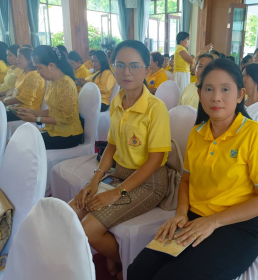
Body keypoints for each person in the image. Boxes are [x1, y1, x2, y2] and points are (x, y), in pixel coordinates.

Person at [128, 58, 258, 280]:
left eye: (225, 89)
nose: (216, 97)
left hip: (238, 228)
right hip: (193, 218)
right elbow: (186, 181)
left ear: (240, 95)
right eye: (208, 89)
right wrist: (180, 214)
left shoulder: (255, 134)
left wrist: (213, 221)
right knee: (137, 272)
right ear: (200, 94)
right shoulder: (197, 132)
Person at [69, 40, 171, 279]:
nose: (126, 72)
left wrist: (116, 192)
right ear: (113, 66)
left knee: (88, 230)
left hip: (149, 182)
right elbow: (111, 146)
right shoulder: (118, 100)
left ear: (147, 70)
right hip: (121, 174)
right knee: (74, 210)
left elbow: (155, 161)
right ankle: (114, 255)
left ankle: (126, 263)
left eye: (134, 66)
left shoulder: (156, 108)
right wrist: (95, 180)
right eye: (120, 65)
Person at [15, 46, 83, 150]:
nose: (37, 71)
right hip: (54, 130)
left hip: (68, 136)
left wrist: (36, 119)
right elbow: (53, 111)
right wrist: (32, 112)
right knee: (18, 139)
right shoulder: (53, 82)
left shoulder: (66, 84)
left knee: (20, 143)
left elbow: (66, 119)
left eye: (39, 68)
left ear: (51, 66)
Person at [1, 47, 45, 122]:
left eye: (20, 57)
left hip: (27, 111)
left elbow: (24, 99)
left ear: (29, 60)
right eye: (17, 57)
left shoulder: (33, 75)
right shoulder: (23, 72)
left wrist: (3, 102)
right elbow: (16, 92)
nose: (17, 59)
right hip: (16, 108)